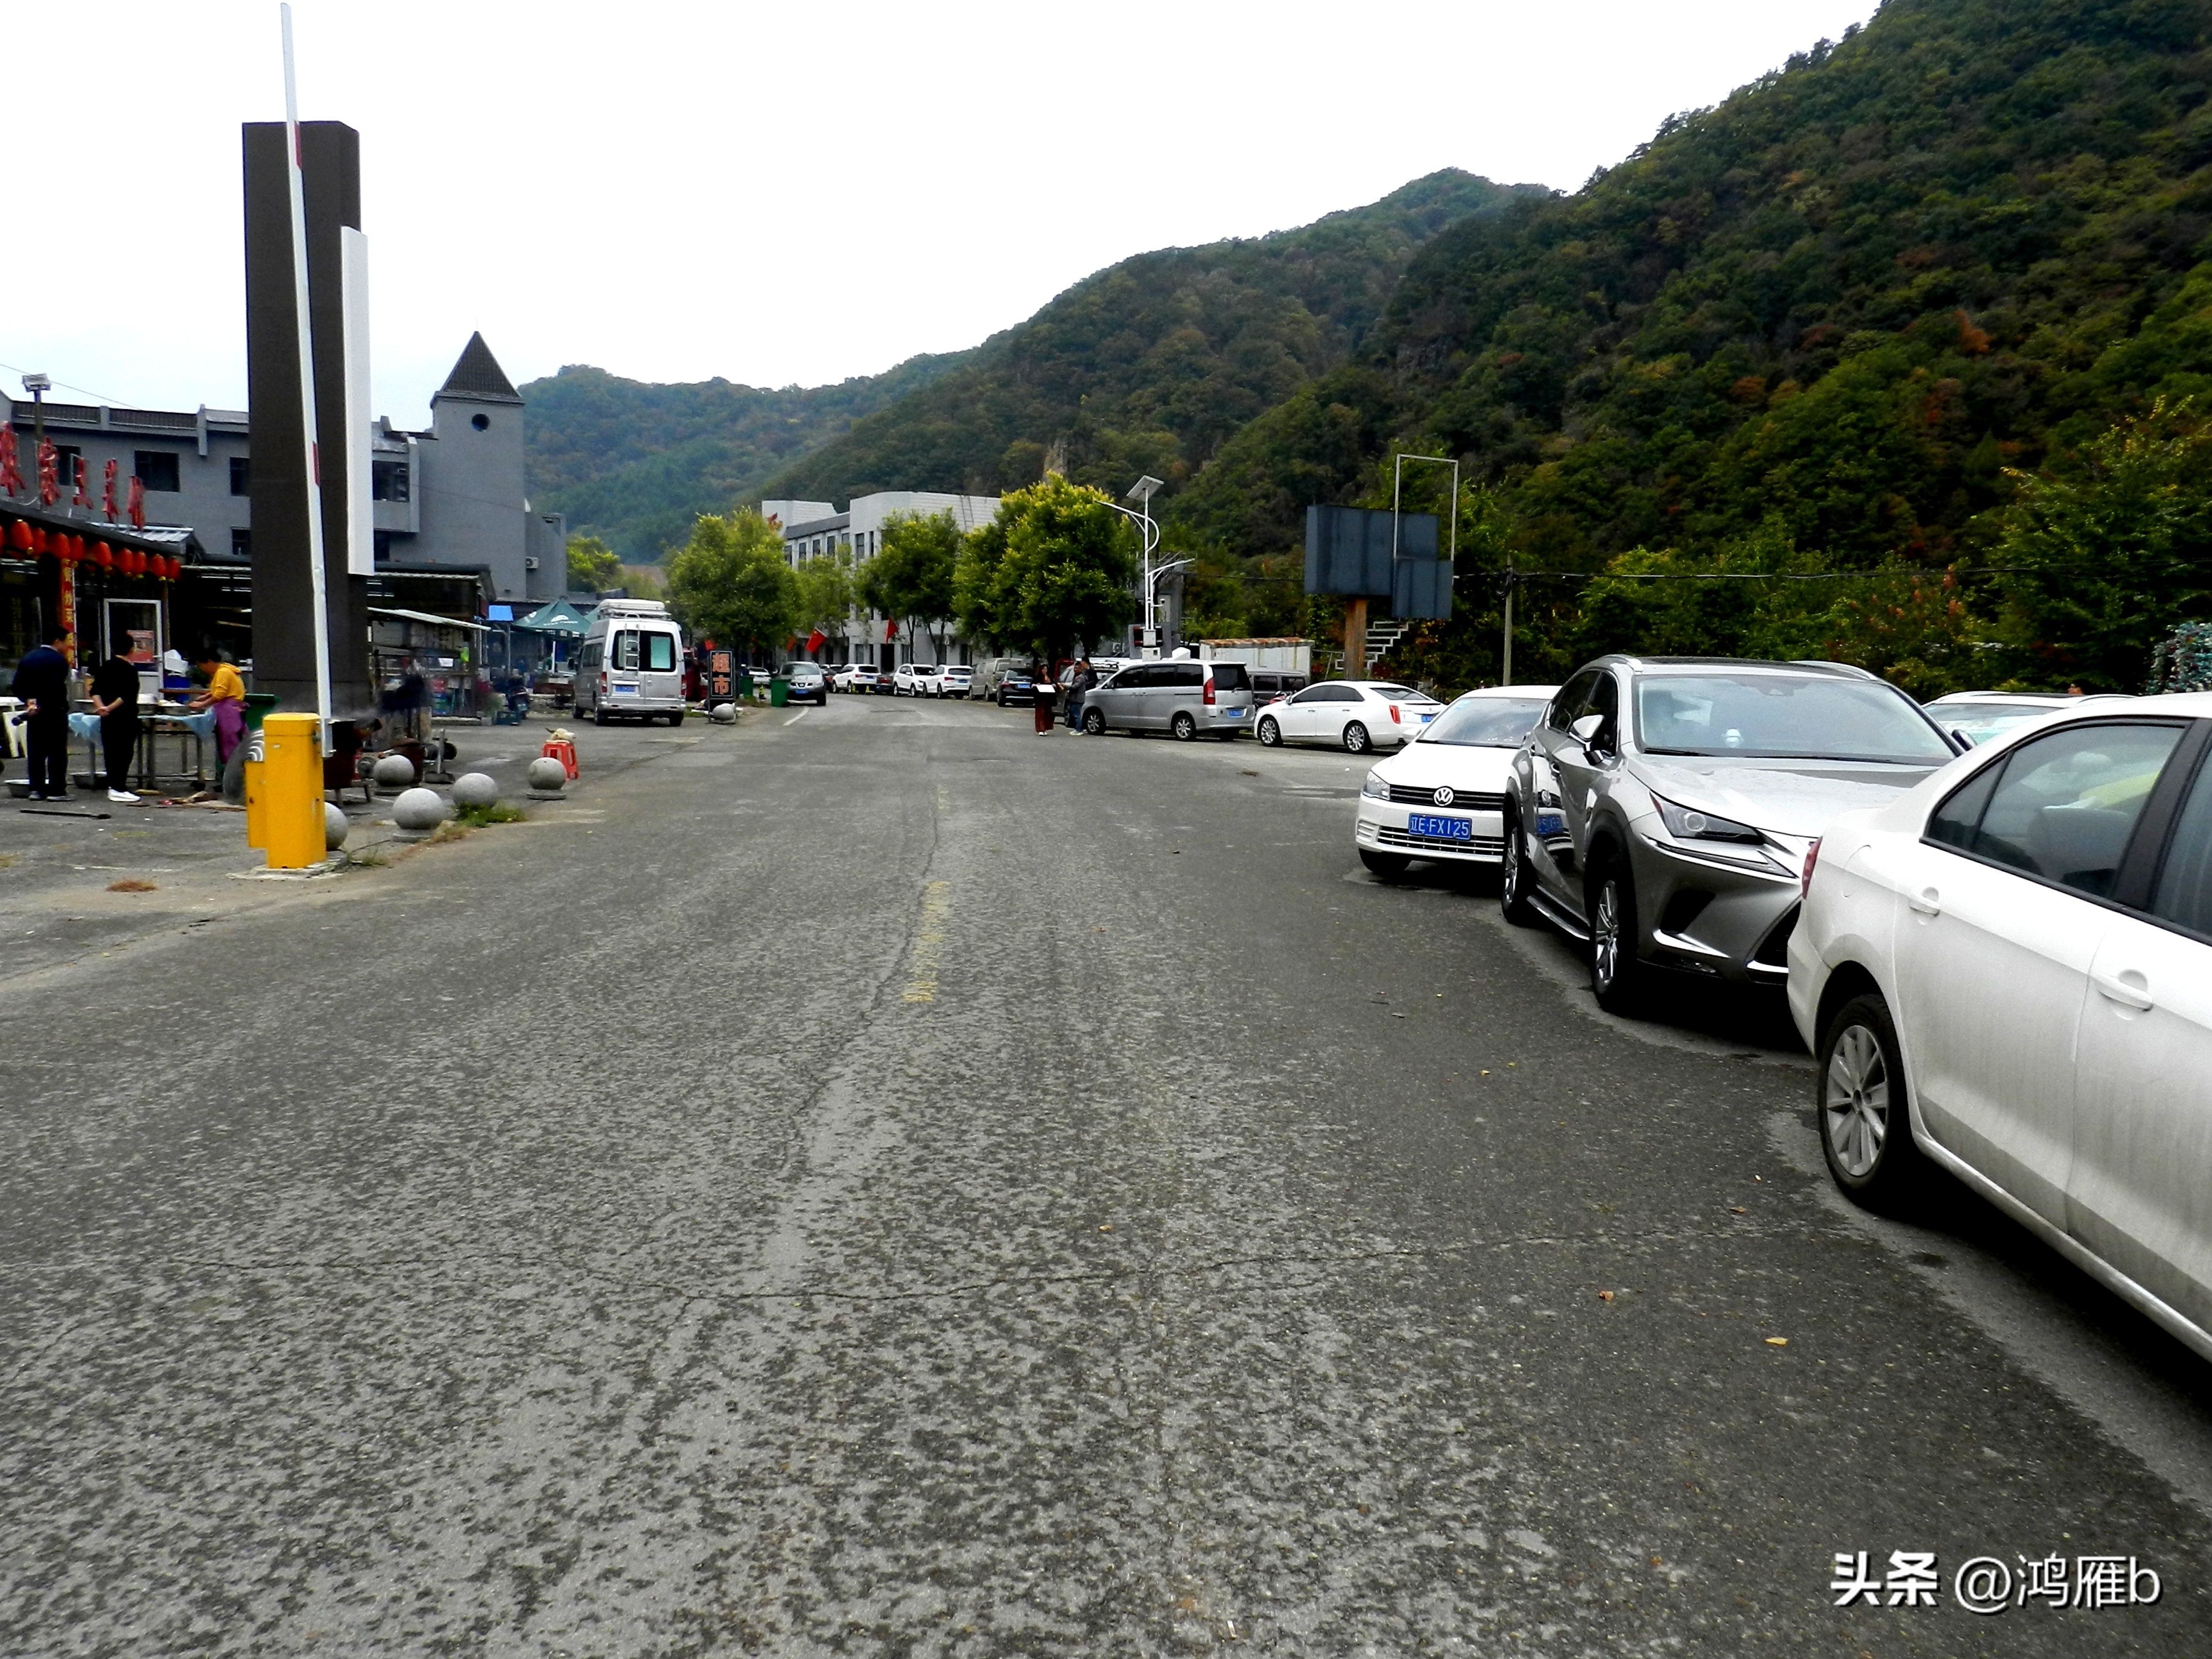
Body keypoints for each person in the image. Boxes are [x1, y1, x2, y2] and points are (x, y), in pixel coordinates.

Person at [8, 624, 72, 800]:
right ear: (57, 641)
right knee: (57, 753)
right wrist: (42, 702)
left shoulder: (29, 658)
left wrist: (29, 700)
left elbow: (17, 685)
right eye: (65, 641)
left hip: (33, 713)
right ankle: (56, 790)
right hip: (54, 711)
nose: (67, 646)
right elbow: (54, 686)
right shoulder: (59, 661)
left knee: (36, 752)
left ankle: (36, 789)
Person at [87, 645, 144, 804]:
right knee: (124, 752)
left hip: (107, 717)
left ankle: (114, 785)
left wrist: (101, 708)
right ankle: (119, 787)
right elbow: (127, 695)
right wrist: (110, 708)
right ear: (131, 649)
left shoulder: (106, 666)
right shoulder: (130, 670)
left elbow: (95, 690)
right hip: (125, 716)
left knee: (111, 751)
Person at [188, 649, 248, 766]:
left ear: (209, 662)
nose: (202, 669)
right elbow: (219, 690)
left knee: (230, 744)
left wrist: (202, 704)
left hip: (228, 712)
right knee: (232, 743)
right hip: (233, 709)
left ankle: (233, 777)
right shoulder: (226, 670)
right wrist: (205, 697)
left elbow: (219, 695)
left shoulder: (223, 672)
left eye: (202, 666)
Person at [1066, 658, 1096, 733]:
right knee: (1077, 713)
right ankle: (1081, 728)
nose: (1075, 669)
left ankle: (1079, 729)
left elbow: (1094, 681)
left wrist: (1085, 685)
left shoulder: (1086, 674)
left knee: (1077, 713)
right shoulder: (1080, 674)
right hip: (1080, 695)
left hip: (1081, 695)